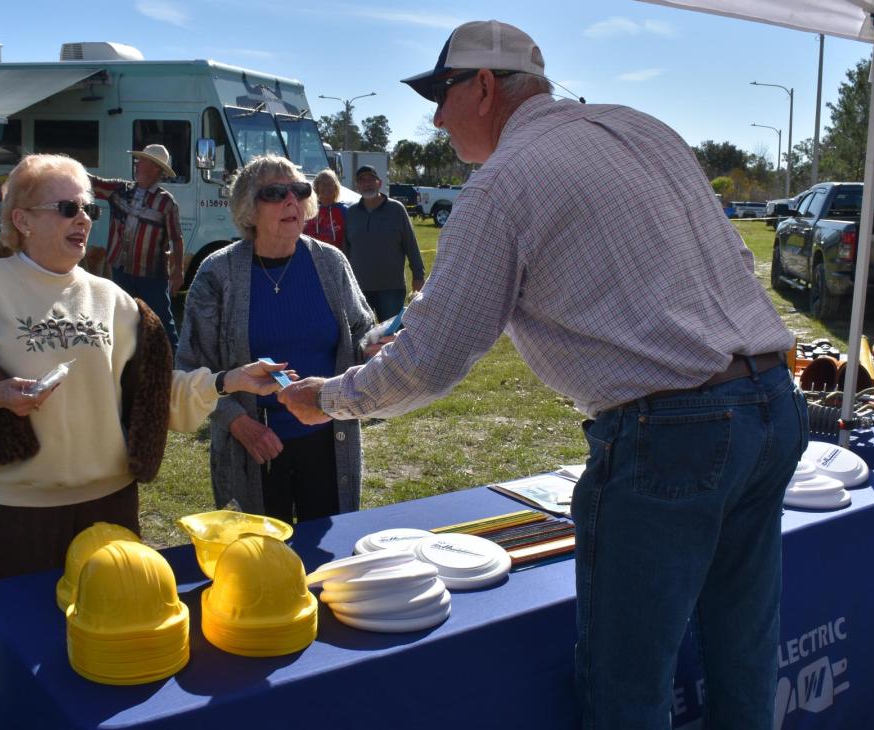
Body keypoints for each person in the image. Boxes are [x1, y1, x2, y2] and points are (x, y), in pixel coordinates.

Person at [278, 20, 805, 729]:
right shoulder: (641, 128)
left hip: (672, 435)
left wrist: (329, 401)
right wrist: (394, 330)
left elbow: (434, 363)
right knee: (744, 659)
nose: (435, 117)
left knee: (627, 688)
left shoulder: (502, 183)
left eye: (441, 92)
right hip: (772, 403)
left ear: (485, 86)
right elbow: (727, 265)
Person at [0, 153, 289, 582]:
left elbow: (154, 395)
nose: (84, 219)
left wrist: (228, 380)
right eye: (68, 208)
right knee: (22, 642)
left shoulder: (114, 298)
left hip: (110, 508)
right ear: (23, 219)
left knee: (109, 645)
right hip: (17, 515)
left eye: (89, 208)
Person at [174, 154, 379, 525]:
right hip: (256, 446)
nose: (291, 201)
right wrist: (238, 423)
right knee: (260, 559)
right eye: (275, 193)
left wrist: (373, 344)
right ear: (248, 208)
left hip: (329, 438)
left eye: (299, 190)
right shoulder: (217, 273)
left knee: (327, 558)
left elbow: (362, 327)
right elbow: (192, 366)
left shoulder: (331, 263)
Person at [83, 143, 186, 348]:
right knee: (122, 318)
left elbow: (177, 238)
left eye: (142, 161)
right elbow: (92, 182)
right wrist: (66, 168)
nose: (137, 164)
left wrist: (177, 272)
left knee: (162, 323)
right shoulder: (120, 190)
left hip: (152, 276)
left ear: (155, 168)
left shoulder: (166, 202)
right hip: (121, 270)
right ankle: (127, 361)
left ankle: (176, 365)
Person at [344, 164, 426, 322]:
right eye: (362, 180)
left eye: (371, 179)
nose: (367, 184)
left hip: (391, 288)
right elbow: (346, 251)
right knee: (361, 338)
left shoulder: (396, 209)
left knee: (390, 337)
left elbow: (411, 245)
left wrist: (418, 276)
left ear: (379, 183)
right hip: (358, 288)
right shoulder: (351, 213)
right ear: (357, 186)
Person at [302, 169, 349, 250]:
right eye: (323, 184)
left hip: (335, 259)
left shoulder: (344, 211)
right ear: (317, 187)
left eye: (330, 184)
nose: (326, 187)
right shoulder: (309, 210)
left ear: (335, 187)